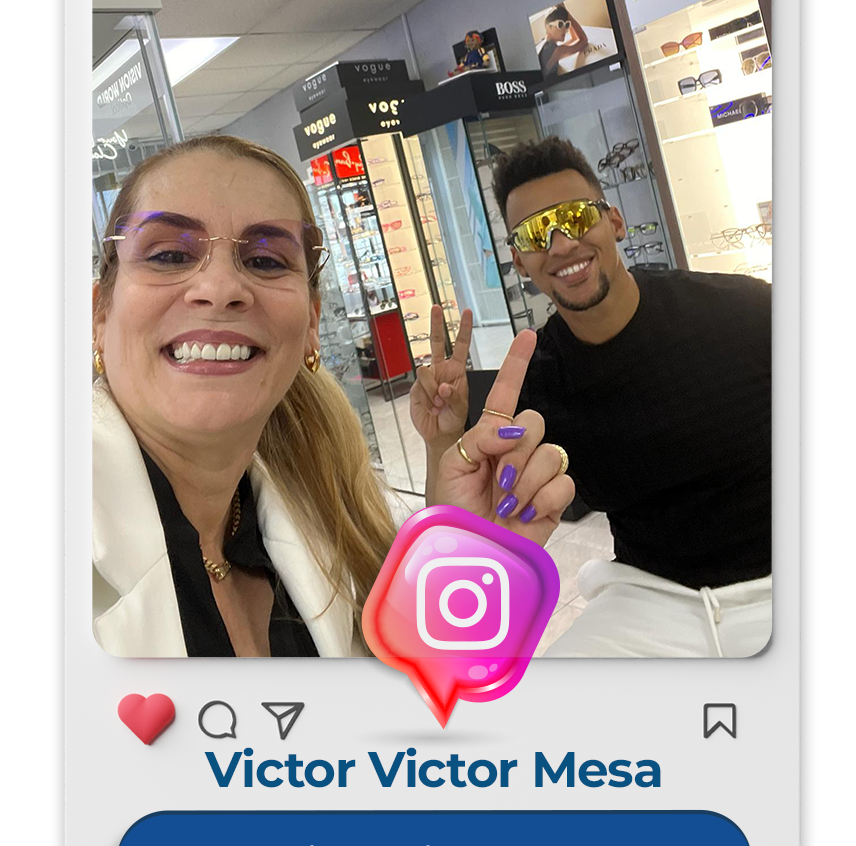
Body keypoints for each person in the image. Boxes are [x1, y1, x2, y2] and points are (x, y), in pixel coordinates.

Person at [92, 134, 573, 658]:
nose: (221, 286)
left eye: (267, 261)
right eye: (169, 254)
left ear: (312, 326)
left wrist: (467, 559)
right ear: (99, 313)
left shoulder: (310, 509)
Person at [410, 136, 771, 659]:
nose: (560, 245)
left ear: (614, 223)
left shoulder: (743, 314)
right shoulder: (535, 388)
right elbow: (461, 574)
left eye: (577, 217)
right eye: (536, 234)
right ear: (519, 260)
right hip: (651, 602)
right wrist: (443, 440)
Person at [537, 5, 589, 82]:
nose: (565, 29)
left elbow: (574, 38)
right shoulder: (558, 51)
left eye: (567, 24)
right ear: (549, 27)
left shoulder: (546, 45)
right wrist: (566, 12)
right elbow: (584, 40)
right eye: (560, 24)